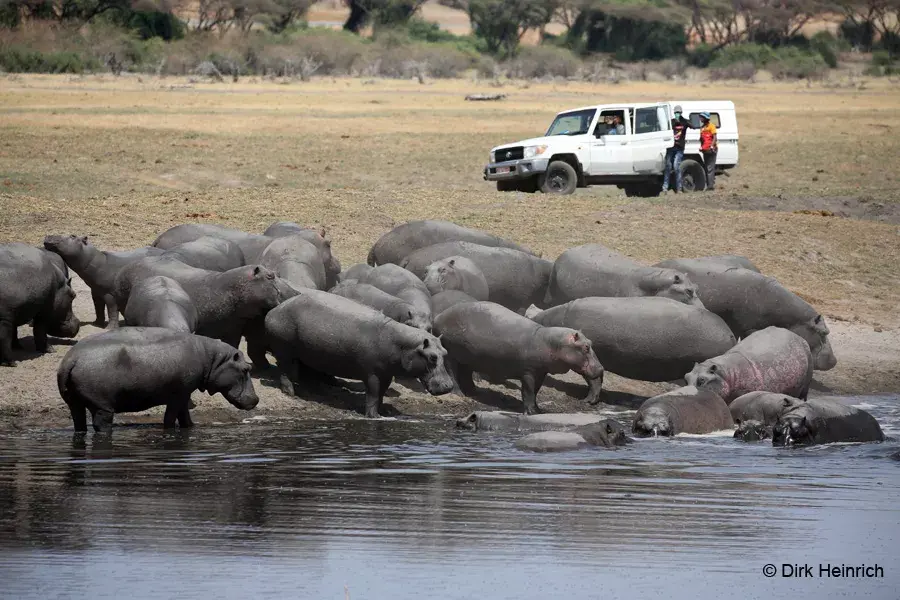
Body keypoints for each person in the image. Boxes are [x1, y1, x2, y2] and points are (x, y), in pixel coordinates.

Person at [661, 104, 693, 194]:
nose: (677, 114)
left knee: (676, 166)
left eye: (678, 112)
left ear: (681, 113)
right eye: (676, 113)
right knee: (668, 167)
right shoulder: (671, 122)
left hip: (679, 148)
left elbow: (693, 126)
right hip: (671, 147)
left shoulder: (684, 122)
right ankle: (665, 188)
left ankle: (679, 188)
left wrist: (684, 121)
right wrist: (675, 121)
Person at [699, 111, 718, 191]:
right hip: (705, 149)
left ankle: (710, 186)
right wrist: (702, 146)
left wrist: (711, 146)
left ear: (706, 118)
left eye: (702, 117)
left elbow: (715, 137)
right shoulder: (702, 127)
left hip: (711, 149)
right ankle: (710, 184)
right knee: (707, 167)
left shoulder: (711, 126)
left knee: (710, 167)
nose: (700, 119)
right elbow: (702, 139)